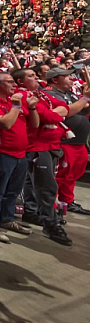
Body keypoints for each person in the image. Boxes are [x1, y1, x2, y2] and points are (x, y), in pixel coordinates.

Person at [0, 71, 39, 244]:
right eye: (10, 82)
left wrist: (32, 107)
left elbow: (34, 124)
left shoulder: (12, 102)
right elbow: (5, 124)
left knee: (12, 191)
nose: (14, 85)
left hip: (20, 153)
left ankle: (7, 219)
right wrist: (16, 106)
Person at [14, 68, 72, 245]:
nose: (37, 78)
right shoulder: (22, 96)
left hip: (50, 145)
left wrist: (56, 112)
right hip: (38, 146)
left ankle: (34, 213)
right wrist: (57, 112)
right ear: (20, 82)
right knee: (46, 187)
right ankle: (50, 223)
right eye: (31, 76)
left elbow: (65, 109)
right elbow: (48, 117)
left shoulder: (39, 94)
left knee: (36, 184)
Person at [43, 68, 90, 216]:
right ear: (55, 79)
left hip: (78, 141)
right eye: (67, 76)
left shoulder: (70, 93)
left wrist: (86, 98)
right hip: (64, 142)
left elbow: (84, 109)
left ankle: (67, 201)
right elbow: (67, 111)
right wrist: (85, 99)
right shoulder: (50, 94)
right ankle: (53, 205)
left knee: (73, 175)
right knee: (61, 175)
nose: (71, 78)